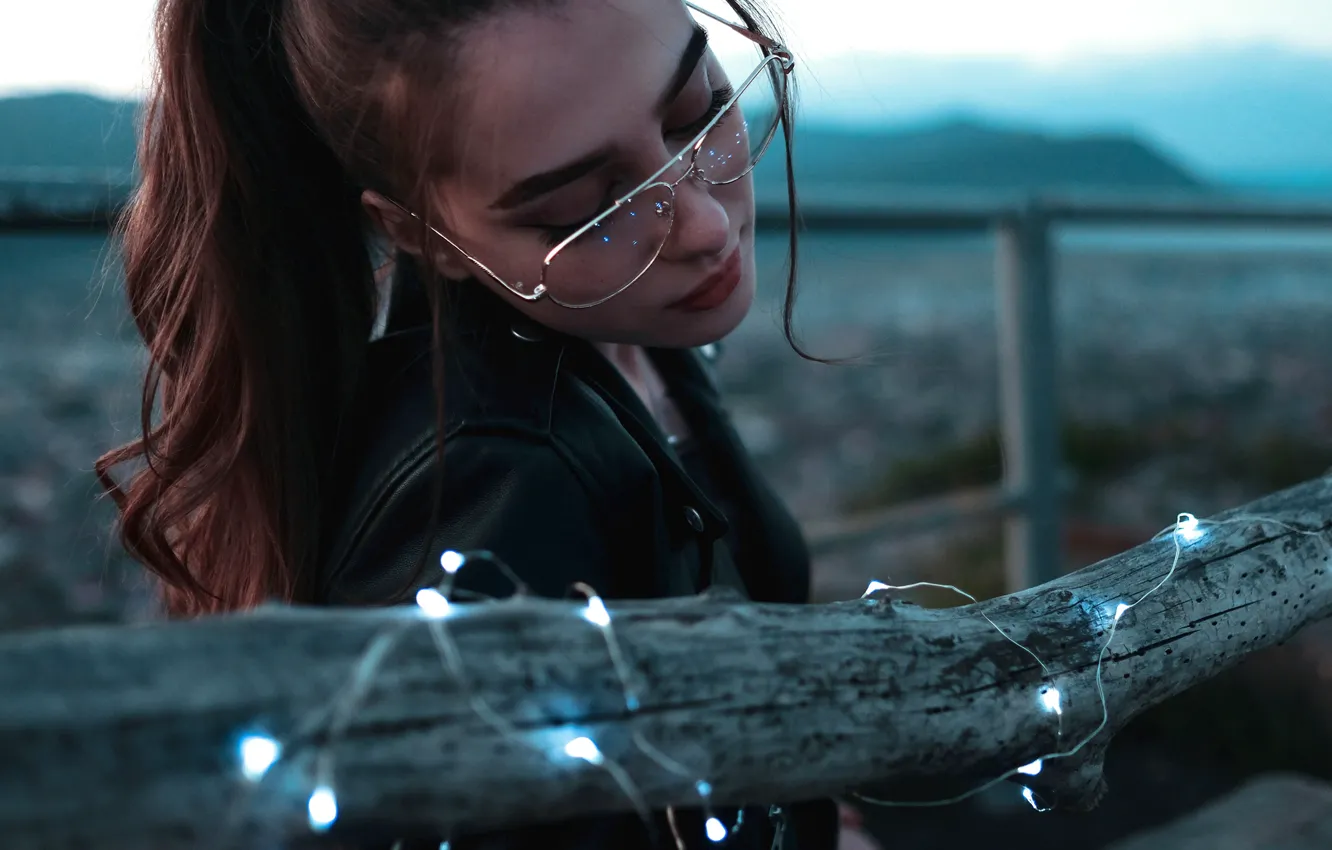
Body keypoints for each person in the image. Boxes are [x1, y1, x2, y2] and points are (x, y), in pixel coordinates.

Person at [96, 0, 884, 847]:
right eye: (587, 208)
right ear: (420, 233)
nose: (702, 224)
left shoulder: (627, 343)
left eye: (698, 111)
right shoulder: (497, 484)